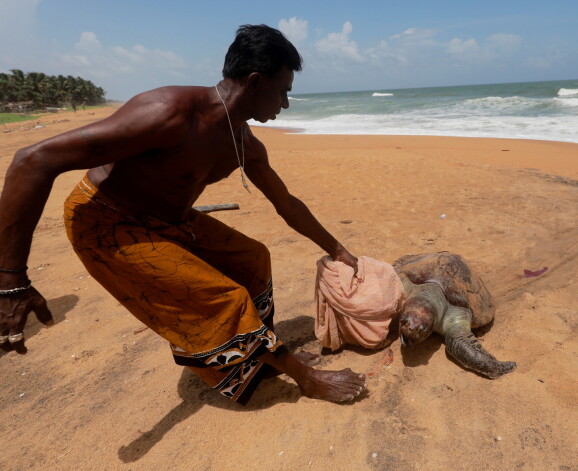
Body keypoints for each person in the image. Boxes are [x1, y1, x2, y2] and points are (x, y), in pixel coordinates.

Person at [0, 25, 366, 404]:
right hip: (107, 221)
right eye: (284, 91)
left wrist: (336, 249)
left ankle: (262, 361)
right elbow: (32, 160)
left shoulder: (243, 141)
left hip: (172, 221)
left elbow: (286, 204)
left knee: (253, 258)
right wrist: (11, 281)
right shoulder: (168, 113)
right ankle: (303, 378)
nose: (285, 104)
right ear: (256, 82)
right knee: (227, 298)